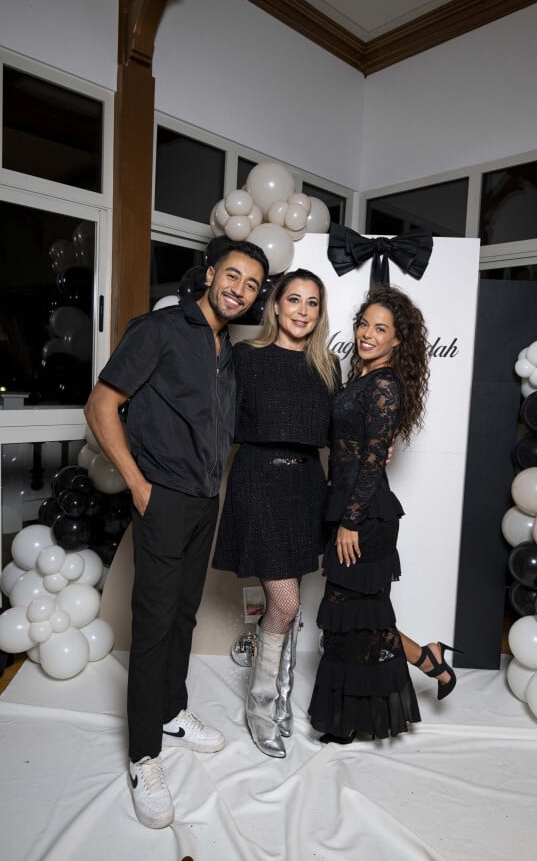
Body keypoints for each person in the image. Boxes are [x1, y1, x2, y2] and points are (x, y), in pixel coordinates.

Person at [84, 239, 268, 829]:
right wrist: (139, 486)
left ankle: (171, 711)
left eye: (251, 284)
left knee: (184, 614)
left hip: (203, 503)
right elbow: (102, 404)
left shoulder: (226, 351)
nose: (239, 289)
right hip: (161, 499)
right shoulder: (161, 330)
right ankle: (143, 755)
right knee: (156, 621)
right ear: (210, 273)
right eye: (232, 275)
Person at [309, 285, 460, 744]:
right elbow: (358, 445)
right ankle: (427, 658)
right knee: (360, 618)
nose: (367, 334)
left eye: (380, 329)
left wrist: (351, 522)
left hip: (366, 515)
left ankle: (359, 713)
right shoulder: (361, 379)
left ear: (398, 340)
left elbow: (373, 460)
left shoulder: (385, 384)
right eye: (363, 324)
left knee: (350, 616)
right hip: (349, 505)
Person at [213, 269, 340, 758]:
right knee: (285, 604)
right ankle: (261, 707)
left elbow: (339, 433)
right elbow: (217, 420)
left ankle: (283, 701)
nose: (303, 310)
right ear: (277, 306)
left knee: (292, 602)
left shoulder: (329, 365)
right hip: (259, 482)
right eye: (294, 299)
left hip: (308, 486)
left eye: (312, 302)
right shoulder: (245, 357)